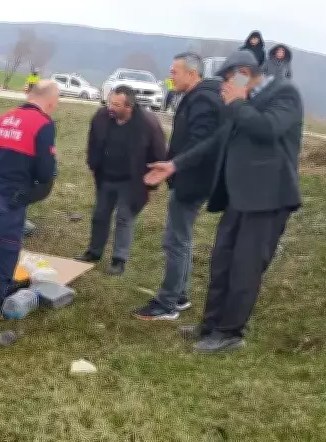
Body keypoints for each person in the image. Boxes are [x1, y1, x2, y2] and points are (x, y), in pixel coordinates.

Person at [145, 50, 304, 353]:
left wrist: (239, 102)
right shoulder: (241, 103)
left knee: (245, 268)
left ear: (244, 72)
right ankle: (210, 325)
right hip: (239, 197)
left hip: (269, 199)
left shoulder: (284, 93)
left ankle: (230, 333)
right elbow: (216, 140)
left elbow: (268, 129)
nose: (225, 86)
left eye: (229, 79)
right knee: (222, 263)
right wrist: (176, 164)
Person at [0, 80, 59, 347]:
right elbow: (44, 173)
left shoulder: (4, 118)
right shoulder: (43, 125)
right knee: (0, 271)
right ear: (50, 101)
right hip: (6, 205)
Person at [133, 52, 223, 321]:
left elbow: (203, 143)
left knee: (175, 241)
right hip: (190, 176)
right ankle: (179, 295)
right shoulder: (201, 95)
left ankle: (167, 303)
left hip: (192, 180)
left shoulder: (203, 99)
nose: (170, 76)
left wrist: (175, 165)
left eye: (175, 72)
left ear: (192, 73)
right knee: (181, 239)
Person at [75, 85, 167, 275]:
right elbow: (93, 142)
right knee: (100, 215)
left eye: (116, 104)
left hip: (132, 181)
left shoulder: (148, 124)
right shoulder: (101, 117)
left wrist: (152, 182)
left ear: (129, 107)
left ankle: (119, 260)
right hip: (106, 176)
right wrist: (92, 164)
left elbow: (158, 153)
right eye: (110, 102)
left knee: (124, 219)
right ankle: (94, 252)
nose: (111, 107)